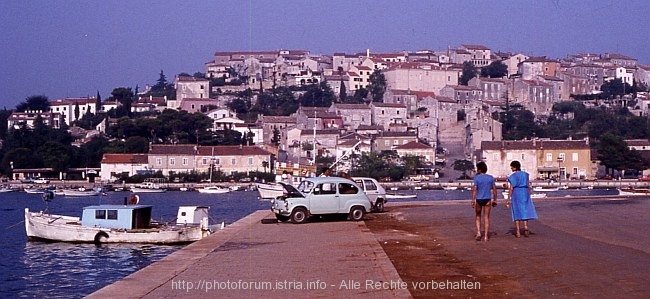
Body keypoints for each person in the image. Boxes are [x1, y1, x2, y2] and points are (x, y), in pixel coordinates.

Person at [506, 160, 539, 238]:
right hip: (525, 192)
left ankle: (518, 231)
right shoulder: (525, 175)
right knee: (525, 209)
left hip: (516, 192)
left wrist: (508, 199)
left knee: (516, 211)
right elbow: (528, 185)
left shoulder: (512, 176)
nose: (511, 168)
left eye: (512, 167)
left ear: (515, 167)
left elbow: (511, 188)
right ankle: (526, 226)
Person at [471, 161, 497, 241]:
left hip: (479, 199)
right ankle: (486, 236)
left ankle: (479, 233)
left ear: (479, 169)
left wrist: (472, 200)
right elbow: (494, 190)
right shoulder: (490, 177)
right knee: (486, 217)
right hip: (488, 199)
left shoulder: (477, 178)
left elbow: (474, 190)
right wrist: (495, 199)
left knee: (478, 216)